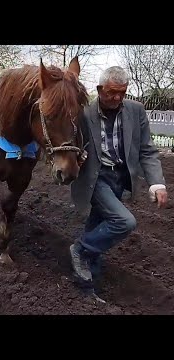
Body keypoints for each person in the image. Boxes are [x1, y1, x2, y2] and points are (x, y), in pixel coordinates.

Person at [70, 66, 169, 285]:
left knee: (97, 227)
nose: (117, 97)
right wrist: (76, 157)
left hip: (119, 179)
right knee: (124, 221)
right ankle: (79, 249)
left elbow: (146, 149)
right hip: (95, 178)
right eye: (111, 92)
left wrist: (157, 183)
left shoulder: (136, 110)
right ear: (99, 89)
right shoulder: (83, 113)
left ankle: (86, 284)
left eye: (122, 93)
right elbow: (69, 145)